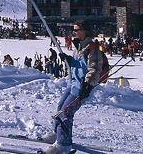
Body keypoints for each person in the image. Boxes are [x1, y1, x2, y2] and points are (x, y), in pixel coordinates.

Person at [42, 20, 103, 154]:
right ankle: (56, 134)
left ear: (85, 30)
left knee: (66, 112)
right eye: (74, 30)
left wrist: (87, 86)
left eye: (77, 30)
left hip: (82, 86)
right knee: (60, 107)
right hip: (73, 83)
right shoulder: (79, 46)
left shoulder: (92, 48)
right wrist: (69, 60)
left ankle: (63, 145)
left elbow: (94, 69)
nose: (74, 32)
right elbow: (80, 64)